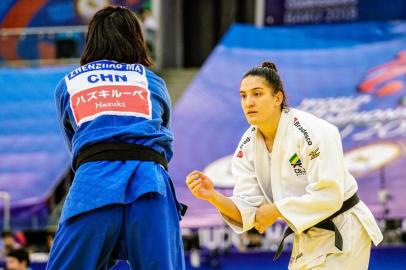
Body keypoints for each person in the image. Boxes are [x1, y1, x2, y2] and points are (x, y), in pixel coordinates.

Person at [186, 62, 383, 269]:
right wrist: (213, 196)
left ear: (277, 98)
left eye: (257, 94)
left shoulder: (312, 131)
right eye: (243, 96)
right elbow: (249, 212)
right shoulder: (247, 147)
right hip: (307, 237)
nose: (248, 102)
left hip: (342, 227)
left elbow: (329, 195)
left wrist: (277, 209)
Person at [47, 6, 185, 270]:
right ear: (136, 38)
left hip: (92, 185)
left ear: (92, 40)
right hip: (150, 184)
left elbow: (76, 146)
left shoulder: (68, 84)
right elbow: (163, 139)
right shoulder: (153, 82)